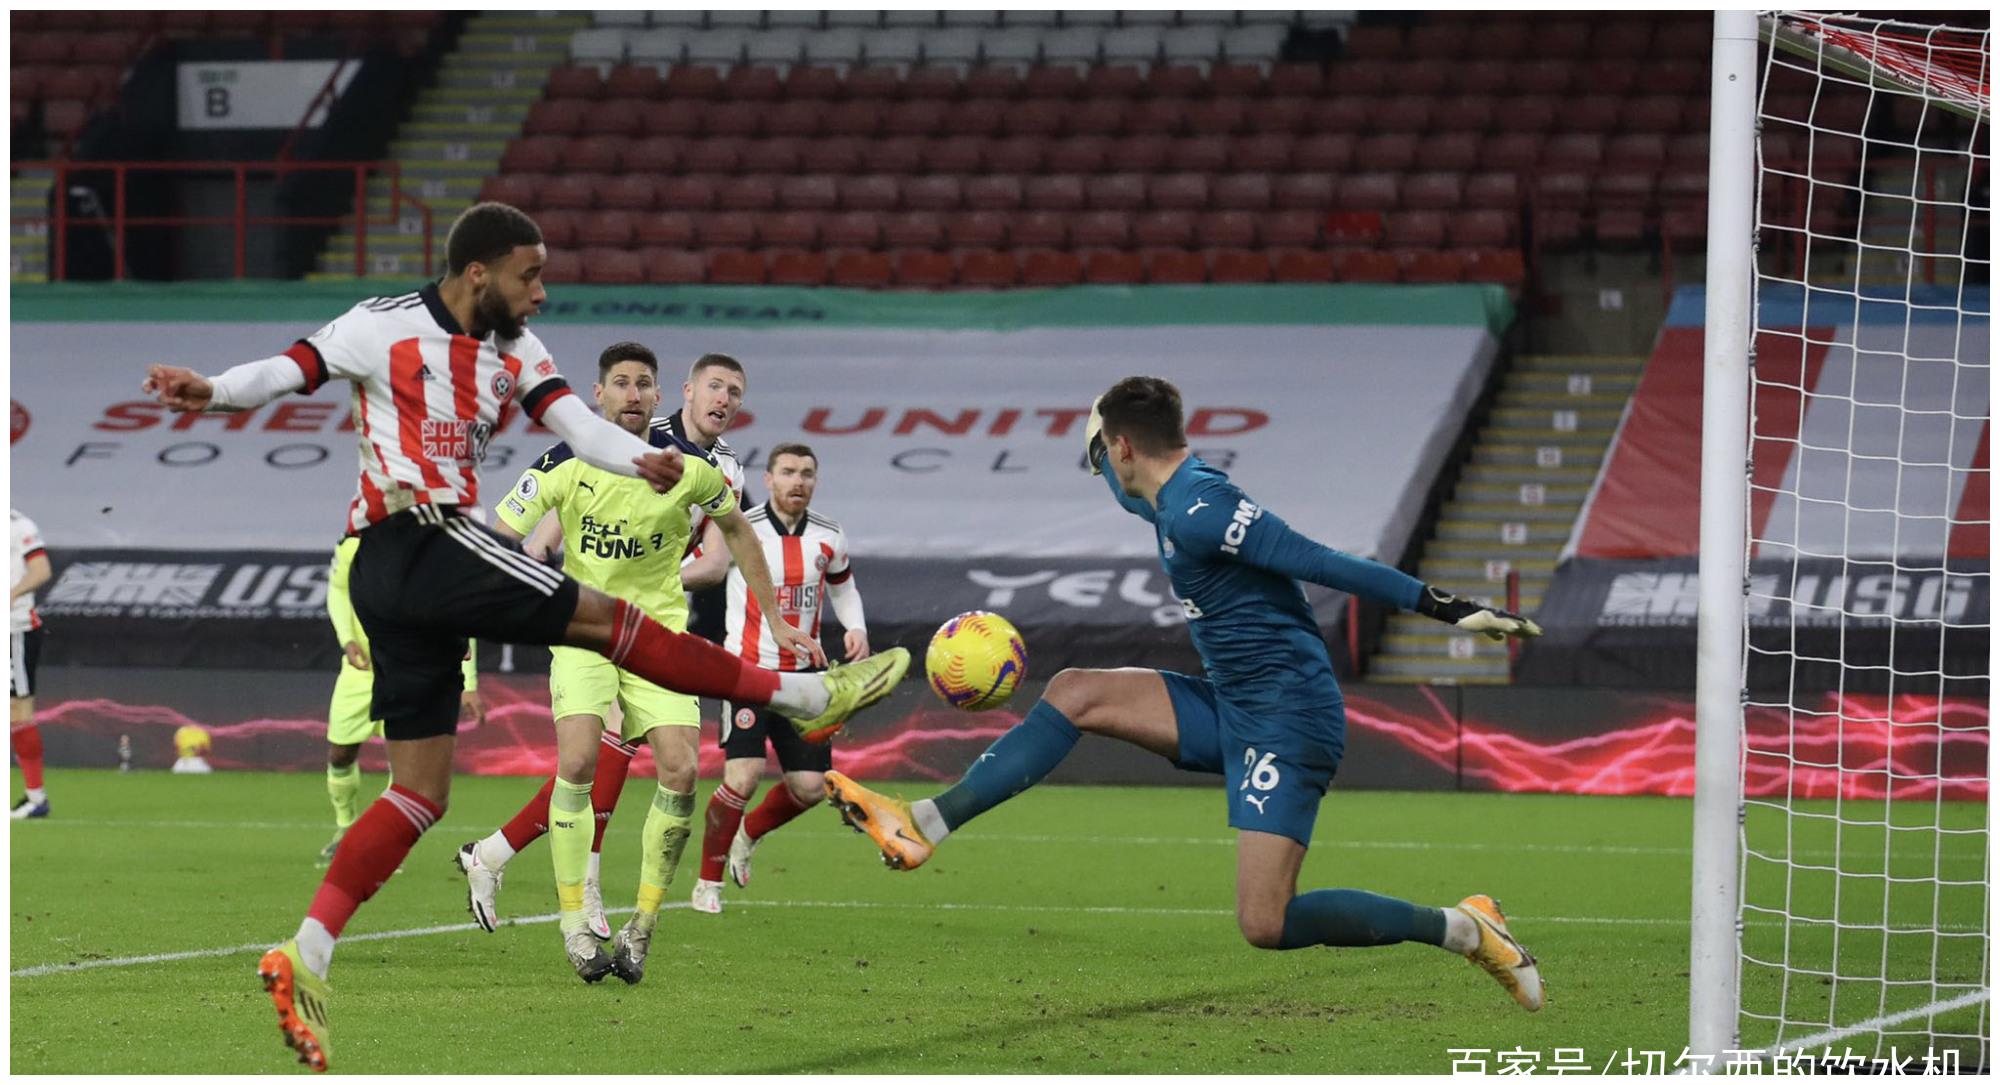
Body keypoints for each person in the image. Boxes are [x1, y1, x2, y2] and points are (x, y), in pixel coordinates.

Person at [140, 201, 910, 1073]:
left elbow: (579, 429)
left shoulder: (517, 351)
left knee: (421, 792)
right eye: (529, 275)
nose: (541, 292)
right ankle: (802, 693)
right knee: (609, 619)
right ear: (479, 273)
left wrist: (644, 461)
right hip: (417, 535)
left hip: (394, 577)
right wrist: (210, 390)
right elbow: (286, 369)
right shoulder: (377, 328)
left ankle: (306, 954)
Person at [823, 376, 1547, 1013]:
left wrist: (1451, 607)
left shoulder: (1202, 506)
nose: (1100, 472)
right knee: (1076, 691)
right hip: (1232, 703)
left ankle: (1465, 927)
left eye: (1100, 457)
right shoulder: (1168, 504)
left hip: (1287, 718)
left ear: (1125, 445)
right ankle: (925, 821)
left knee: (1266, 921)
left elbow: (1326, 562)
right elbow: (1143, 491)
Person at [458, 341, 798, 986]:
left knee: (675, 769)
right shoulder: (574, 458)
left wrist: (774, 617)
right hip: (587, 631)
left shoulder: (707, 470)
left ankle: (636, 923)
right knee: (585, 760)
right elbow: (517, 537)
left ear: (661, 394)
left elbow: (735, 546)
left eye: (645, 383)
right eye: (622, 383)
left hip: (660, 637)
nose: (635, 394)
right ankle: (574, 916)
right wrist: (529, 589)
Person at [686, 443, 872, 914]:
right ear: (768, 479)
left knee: (811, 787)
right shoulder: (738, 528)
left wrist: (856, 628)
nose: (798, 482)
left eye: (807, 473)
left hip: (805, 682)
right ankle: (708, 882)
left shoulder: (830, 536)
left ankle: (749, 832)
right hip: (747, 674)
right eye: (788, 472)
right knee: (743, 776)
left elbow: (844, 589)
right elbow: (699, 568)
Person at [320, 534, 483, 865]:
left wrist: (469, 682)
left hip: (410, 670)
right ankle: (345, 827)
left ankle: (383, 843)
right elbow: (337, 588)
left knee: (405, 764)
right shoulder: (355, 543)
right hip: (361, 672)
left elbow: (460, 615)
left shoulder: (433, 550)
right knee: (340, 753)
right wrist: (347, 638)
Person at [10, 508, 52, 819]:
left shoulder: (18, 524)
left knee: (18, 711)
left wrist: (11, 594)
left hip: (14, 629)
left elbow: (40, 570)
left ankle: (36, 797)